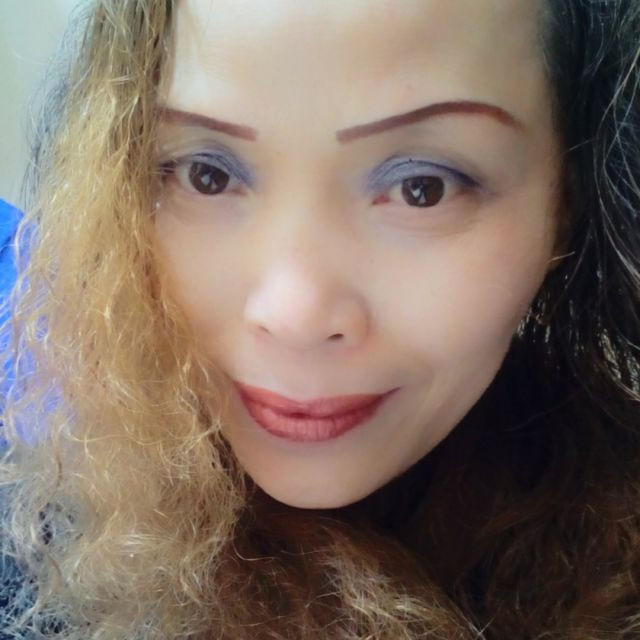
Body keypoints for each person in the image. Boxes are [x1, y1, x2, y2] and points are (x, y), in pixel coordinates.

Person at [1, 0, 639, 638]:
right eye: (207, 175)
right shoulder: (36, 537)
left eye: (423, 188)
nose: (296, 316)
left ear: (565, 204)